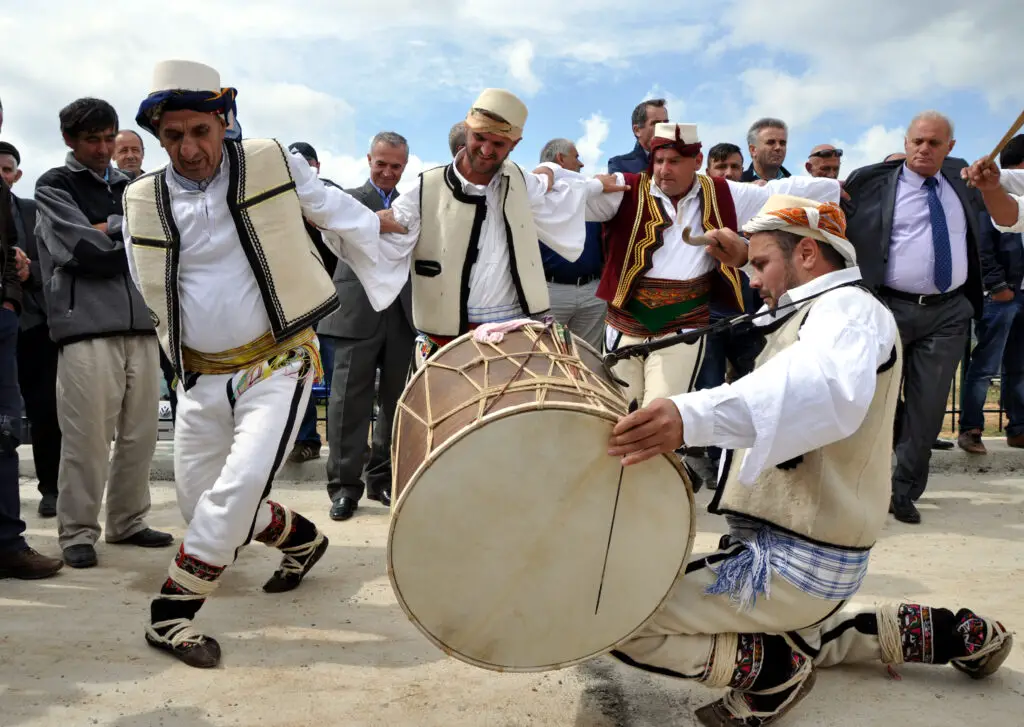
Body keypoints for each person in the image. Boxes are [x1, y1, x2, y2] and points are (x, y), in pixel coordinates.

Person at [605, 195, 1013, 726]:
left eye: (761, 264)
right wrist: (744, 255)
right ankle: (959, 633)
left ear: (809, 257)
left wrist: (690, 416)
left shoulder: (848, 311)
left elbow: (820, 389)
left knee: (615, 617)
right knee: (809, 633)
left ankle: (774, 674)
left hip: (790, 562)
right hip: (812, 558)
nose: (752, 280)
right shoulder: (828, 308)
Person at [122, 60, 407, 669]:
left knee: (235, 492)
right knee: (204, 507)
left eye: (201, 130)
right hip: (200, 373)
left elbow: (326, 203)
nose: (189, 148)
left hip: (277, 363)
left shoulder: (270, 159)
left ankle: (170, 614)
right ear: (158, 136)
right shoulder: (141, 199)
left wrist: (376, 222)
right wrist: (179, 364)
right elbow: (150, 287)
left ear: (223, 121)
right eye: (173, 136)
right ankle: (301, 541)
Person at [584, 122, 841, 411]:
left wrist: (834, 187)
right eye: (658, 161)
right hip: (624, 324)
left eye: (674, 161)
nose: (663, 169)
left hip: (681, 326)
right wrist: (576, 182)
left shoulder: (722, 193)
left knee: (658, 412)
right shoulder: (625, 188)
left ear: (696, 162)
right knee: (618, 411)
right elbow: (566, 198)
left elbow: (775, 193)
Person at [378, 88, 624, 365]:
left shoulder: (519, 180)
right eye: (479, 138)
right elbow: (392, 220)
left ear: (514, 145)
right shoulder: (427, 186)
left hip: (514, 334)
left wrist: (596, 184)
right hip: (447, 339)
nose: (485, 150)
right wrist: (344, 218)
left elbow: (555, 189)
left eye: (498, 144)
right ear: (467, 130)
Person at [843, 111, 988, 524]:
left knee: (928, 409)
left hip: (948, 313)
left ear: (950, 148)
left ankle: (903, 490)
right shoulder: (871, 184)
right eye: (918, 142)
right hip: (888, 309)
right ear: (906, 142)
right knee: (871, 400)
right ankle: (862, 481)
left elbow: (1006, 204)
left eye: (935, 144)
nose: (924, 150)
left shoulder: (964, 179)